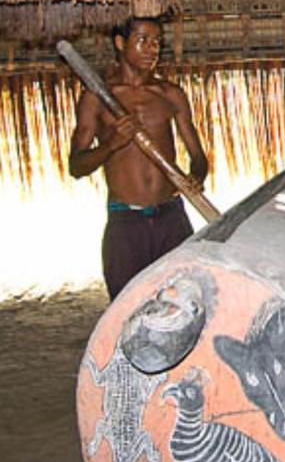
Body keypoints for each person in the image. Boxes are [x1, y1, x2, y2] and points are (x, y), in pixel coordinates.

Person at [66, 16, 211, 298]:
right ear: (120, 43)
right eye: (142, 40)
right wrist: (111, 144)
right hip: (125, 223)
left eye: (157, 42)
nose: (151, 49)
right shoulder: (96, 97)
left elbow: (198, 155)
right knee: (126, 307)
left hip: (172, 217)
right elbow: (76, 166)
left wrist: (197, 176)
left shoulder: (170, 94)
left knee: (186, 301)